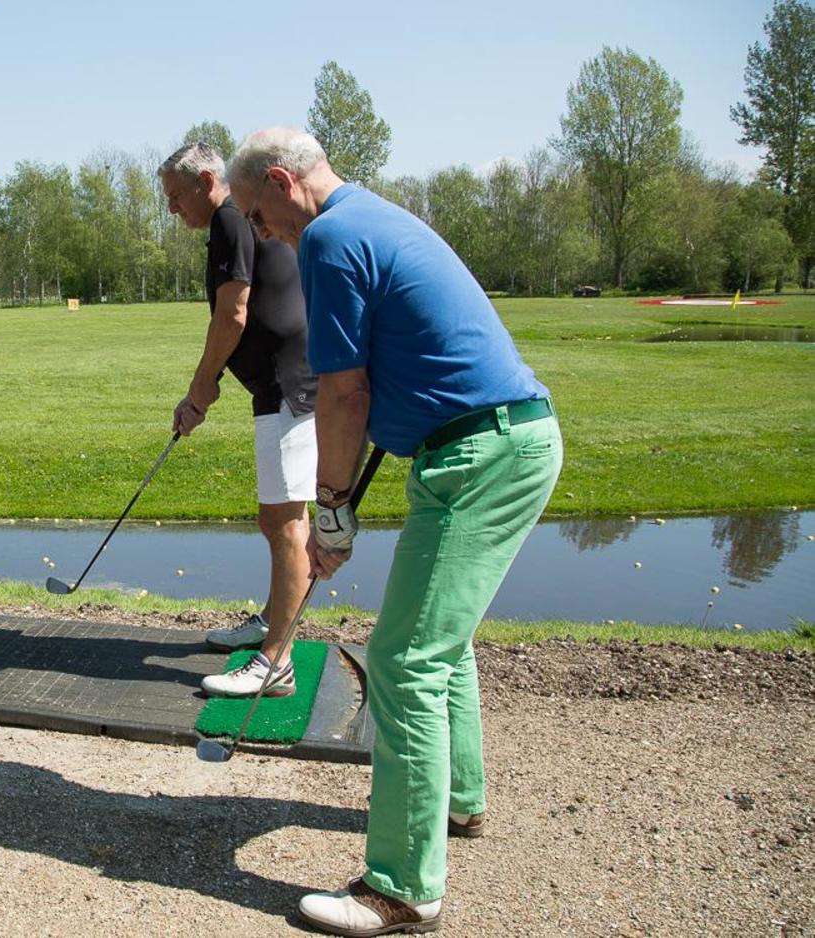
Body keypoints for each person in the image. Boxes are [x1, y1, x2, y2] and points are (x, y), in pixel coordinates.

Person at [227, 128, 562, 936]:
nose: (258, 232)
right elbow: (380, 383)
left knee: (405, 658)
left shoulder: (332, 238)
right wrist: (343, 506)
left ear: (282, 181)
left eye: (255, 213)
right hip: (507, 441)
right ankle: (460, 802)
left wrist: (332, 514)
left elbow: (343, 396)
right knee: (441, 644)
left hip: (480, 456)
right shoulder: (372, 216)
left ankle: (403, 889)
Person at [157, 142, 320, 699]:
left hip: (288, 385)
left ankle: (277, 661)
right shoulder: (237, 220)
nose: (173, 209)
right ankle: (271, 625)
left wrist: (199, 391)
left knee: (284, 522)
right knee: (278, 518)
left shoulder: (229, 219)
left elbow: (234, 311)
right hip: (283, 381)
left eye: (177, 197)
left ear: (207, 180)